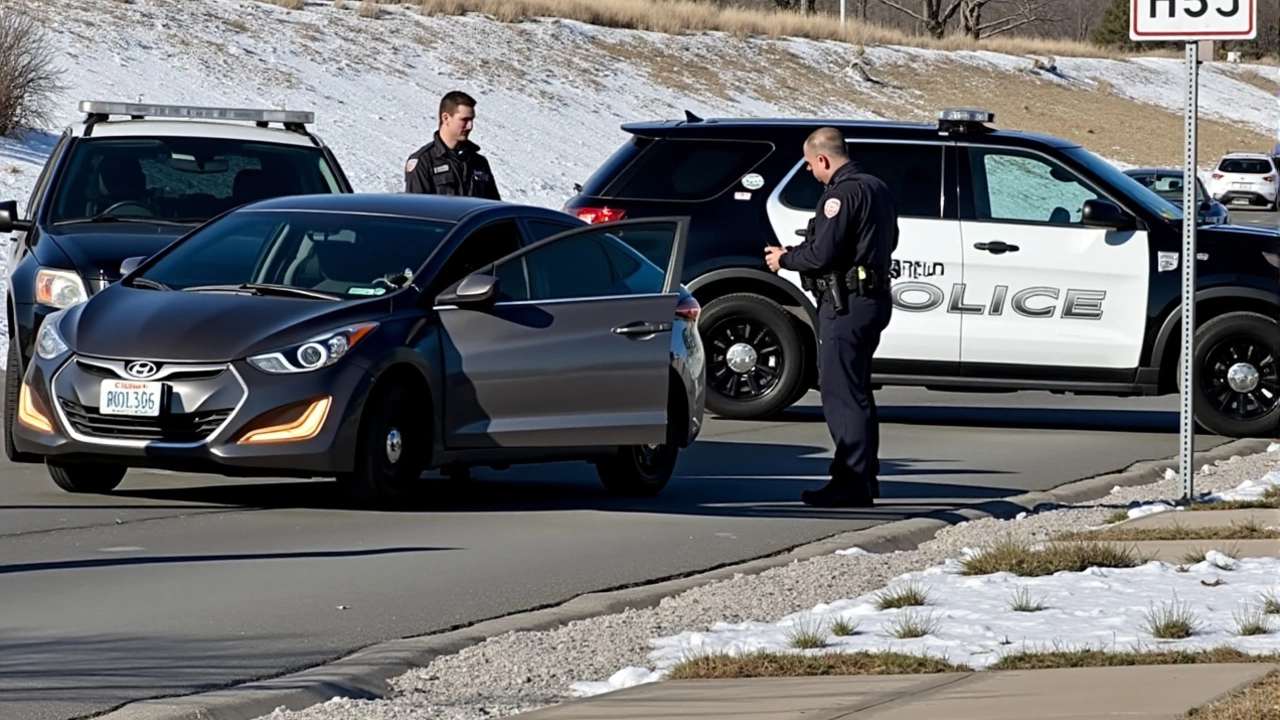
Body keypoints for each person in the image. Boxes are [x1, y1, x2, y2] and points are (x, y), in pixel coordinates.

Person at [764, 127, 897, 508]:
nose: (810, 171)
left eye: (809, 164)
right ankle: (864, 477)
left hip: (845, 304)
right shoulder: (877, 188)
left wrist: (784, 259)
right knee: (857, 394)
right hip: (871, 299)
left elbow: (822, 254)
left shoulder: (839, 196)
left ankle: (850, 482)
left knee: (841, 397)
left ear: (823, 158)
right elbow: (890, 240)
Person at [404, 90, 501, 200]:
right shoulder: (424, 162)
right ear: (445, 118)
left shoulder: (479, 162)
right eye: (464, 120)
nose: (470, 126)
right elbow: (417, 210)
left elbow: (493, 208)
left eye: (472, 120)